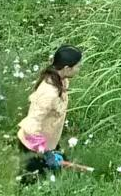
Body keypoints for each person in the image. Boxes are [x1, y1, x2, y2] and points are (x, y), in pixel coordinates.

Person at [16, 45, 83, 183]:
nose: (79, 69)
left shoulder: (61, 80)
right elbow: (32, 125)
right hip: (34, 146)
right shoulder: (49, 93)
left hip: (48, 142)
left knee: (55, 175)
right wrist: (46, 153)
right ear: (66, 68)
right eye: (78, 66)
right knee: (30, 181)